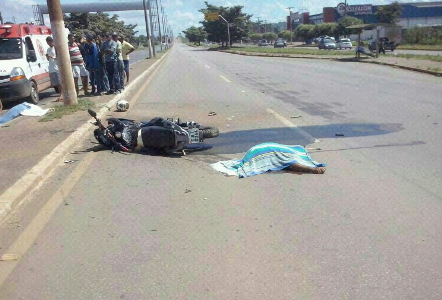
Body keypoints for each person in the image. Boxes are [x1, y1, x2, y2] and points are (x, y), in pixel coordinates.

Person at [211, 143, 326, 178]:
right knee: (288, 162)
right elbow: (290, 165)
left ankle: (312, 169)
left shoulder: (292, 152)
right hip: (261, 152)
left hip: (259, 150)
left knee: (288, 161)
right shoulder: (289, 157)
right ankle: (312, 169)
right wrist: (313, 170)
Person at [45, 36, 63, 102]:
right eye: (47, 43)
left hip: (56, 67)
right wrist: (47, 56)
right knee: (56, 83)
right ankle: (60, 94)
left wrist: (51, 56)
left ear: (52, 41)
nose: (49, 44)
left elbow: (57, 57)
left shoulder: (55, 48)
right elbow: (48, 59)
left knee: (59, 82)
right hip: (51, 67)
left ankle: (62, 94)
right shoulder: (48, 49)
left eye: (49, 42)